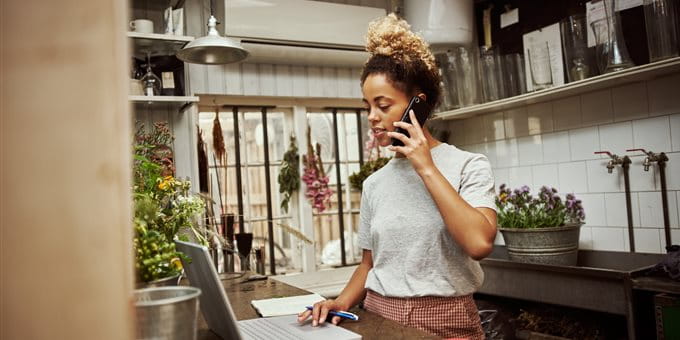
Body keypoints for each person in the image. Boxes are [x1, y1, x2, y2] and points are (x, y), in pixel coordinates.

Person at [298, 13, 497, 339]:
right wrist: (340, 302)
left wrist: (425, 166)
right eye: (367, 106)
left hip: (446, 322)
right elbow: (369, 265)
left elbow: (478, 242)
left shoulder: (468, 166)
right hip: (378, 316)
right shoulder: (374, 184)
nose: (372, 117)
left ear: (417, 105)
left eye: (383, 105)